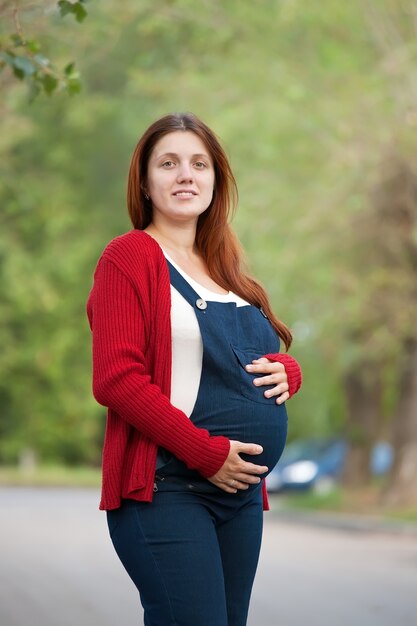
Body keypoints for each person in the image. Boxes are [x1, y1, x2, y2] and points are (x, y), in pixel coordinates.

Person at [87, 112, 302, 626]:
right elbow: (116, 378)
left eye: (198, 164)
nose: (186, 175)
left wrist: (288, 372)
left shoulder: (230, 271)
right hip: (168, 489)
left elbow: (248, 360)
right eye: (169, 163)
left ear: (215, 179)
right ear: (144, 181)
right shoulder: (129, 256)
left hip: (241, 497)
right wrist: (205, 454)